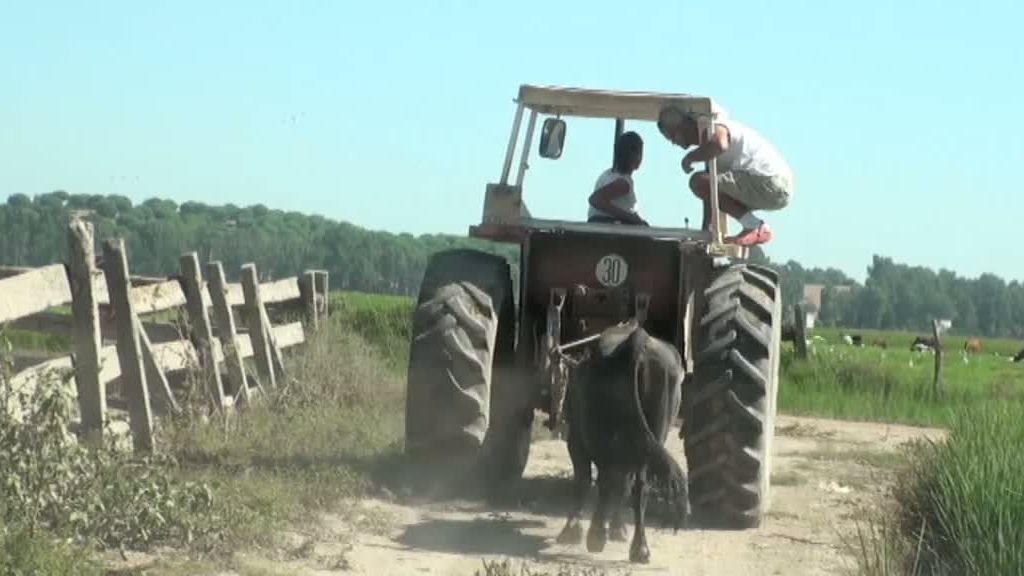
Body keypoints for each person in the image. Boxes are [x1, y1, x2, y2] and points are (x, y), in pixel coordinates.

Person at [657, 106, 793, 246]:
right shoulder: (707, 146)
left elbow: (720, 144)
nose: (673, 142)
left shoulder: (714, 129)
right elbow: (711, 194)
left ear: (684, 125)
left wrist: (690, 158)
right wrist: (706, 232)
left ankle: (755, 226)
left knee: (697, 181)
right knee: (706, 184)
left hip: (769, 181)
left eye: (673, 135)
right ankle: (751, 225)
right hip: (776, 187)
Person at [587, 131, 649, 226]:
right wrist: (630, 217)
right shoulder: (623, 183)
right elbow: (596, 200)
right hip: (609, 235)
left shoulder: (607, 174)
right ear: (634, 154)